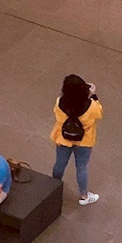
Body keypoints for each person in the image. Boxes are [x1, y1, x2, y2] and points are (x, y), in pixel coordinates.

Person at [51, 74, 103, 206]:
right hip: (84, 141)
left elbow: (57, 115)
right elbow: (99, 113)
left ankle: (53, 187)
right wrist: (93, 96)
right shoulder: (90, 105)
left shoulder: (60, 102)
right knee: (81, 167)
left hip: (64, 138)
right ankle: (84, 196)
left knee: (59, 164)